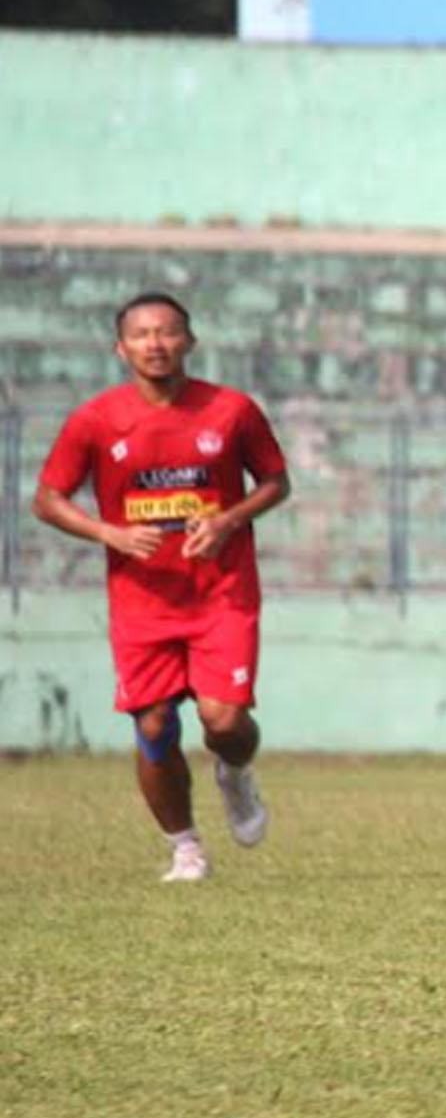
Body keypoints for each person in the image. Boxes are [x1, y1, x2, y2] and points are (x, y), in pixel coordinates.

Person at [33, 293, 291, 883]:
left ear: (189, 342)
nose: (155, 343)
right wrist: (109, 533)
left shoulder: (230, 410)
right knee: (152, 725)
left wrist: (228, 521)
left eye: (168, 332)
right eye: (142, 334)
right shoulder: (96, 420)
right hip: (142, 601)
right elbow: (47, 499)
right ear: (120, 348)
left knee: (224, 722)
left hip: (221, 593)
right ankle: (186, 848)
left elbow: (276, 481)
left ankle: (234, 773)